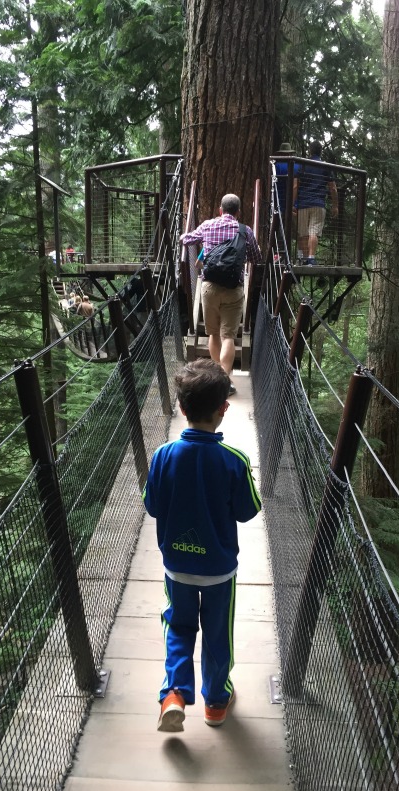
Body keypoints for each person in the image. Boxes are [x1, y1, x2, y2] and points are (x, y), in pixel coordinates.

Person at [143, 359, 262, 733]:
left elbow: (152, 505)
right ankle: (215, 702)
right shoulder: (234, 460)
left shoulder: (163, 456)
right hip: (218, 573)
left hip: (177, 566)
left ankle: (174, 694)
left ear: (180, 407)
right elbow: (248, 511)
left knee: (177, 627)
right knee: (216, 635)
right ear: (223, 408)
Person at [179, 194, 261, 395]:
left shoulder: (208, 225)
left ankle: (218, 380)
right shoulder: (245, 231)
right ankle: (225, 381)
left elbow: (187, 240)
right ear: (238, 212)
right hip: (234, 288)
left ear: (220, 210)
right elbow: (256, 257)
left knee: (213, 334)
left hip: (210, 287)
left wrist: (187, 237)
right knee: (229, 337)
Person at [294, 140, 338, 266]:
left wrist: (292, 203)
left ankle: (303, 259)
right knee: (314, 232)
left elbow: (296, 186)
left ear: (310, 150)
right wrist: (335, 205)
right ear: (321, 151)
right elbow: (333, 188)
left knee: (302, 232)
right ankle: (311, 259)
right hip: (318, 203)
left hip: (303, 203)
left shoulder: (303, 165)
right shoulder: (326, 166)